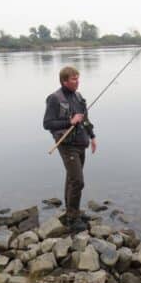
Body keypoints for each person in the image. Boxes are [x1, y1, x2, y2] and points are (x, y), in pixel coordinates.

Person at [43, 66, 97, 231]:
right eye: (73, 79)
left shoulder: (78, 97)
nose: (77, 81)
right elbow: (47, 123)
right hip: (66, 145)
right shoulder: (54, 98)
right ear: (64, 81)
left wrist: (93, 136)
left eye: (78, 78)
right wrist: (70, 121)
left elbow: (85, 120)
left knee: (72, 179)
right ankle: (73, 219)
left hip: (81, 143)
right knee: (78, 181)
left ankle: (71, 212)